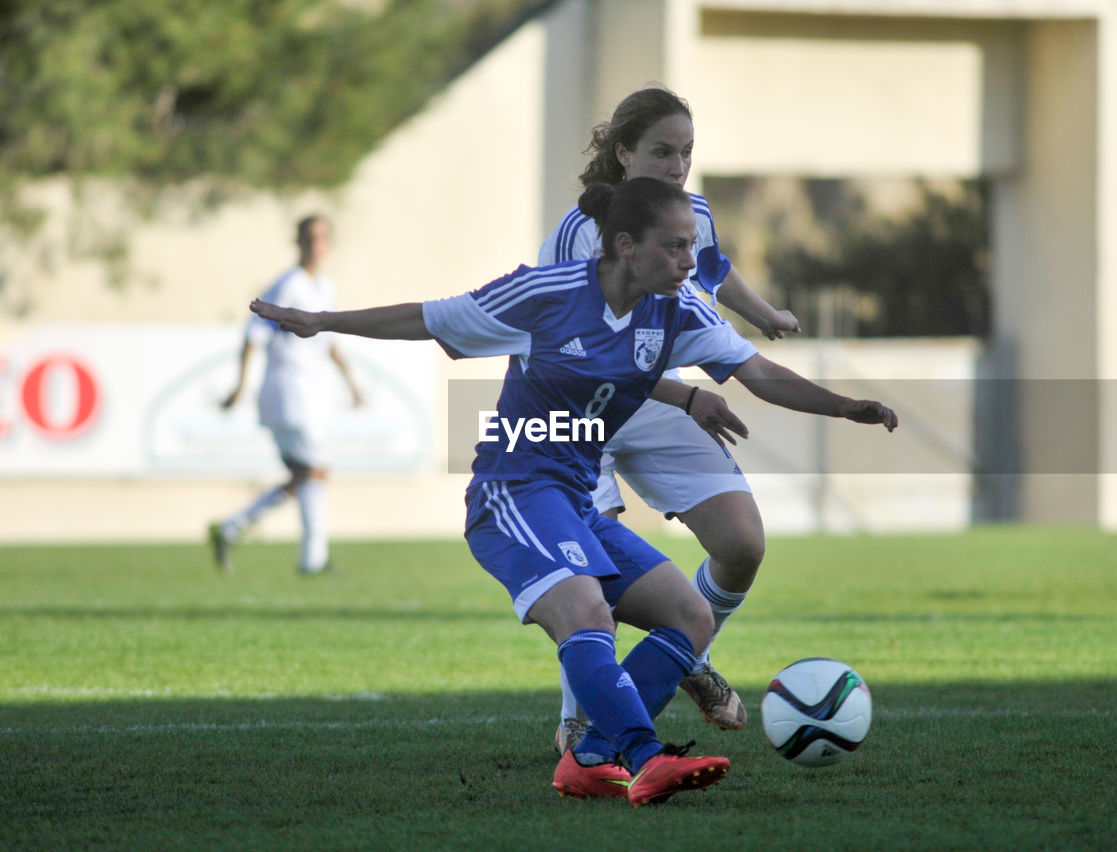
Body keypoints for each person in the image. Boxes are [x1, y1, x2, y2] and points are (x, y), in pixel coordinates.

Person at [250, 178, 897, 804]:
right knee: (588, 609)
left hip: (575, 500)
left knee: (691, 616)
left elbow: (758, 372)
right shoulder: (545, 294)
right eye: (674, 246)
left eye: (691, 246)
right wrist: (319, 320)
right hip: (512, 494)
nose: (688, 261)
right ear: (624, 246)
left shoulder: (675, 308)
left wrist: (845, 407)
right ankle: (644, 759)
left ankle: (591, 759)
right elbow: (428, 318)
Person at [539, 87, 800, 749]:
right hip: (581, 408)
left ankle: (689, 654)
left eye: (686, 152)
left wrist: (763, 313)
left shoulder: (693, 213)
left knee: (743, 543)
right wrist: (684, 396)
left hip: (657, 394)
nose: (678, 164)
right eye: (662, 151)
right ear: (623, 153)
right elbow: (582, 352)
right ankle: (584, 720)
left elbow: (713, 267)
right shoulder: (581, 232)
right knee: (596, 574)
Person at [209, 214, 363, 576]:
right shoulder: (287, 285)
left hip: (309, 393)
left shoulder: (324, 287)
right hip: (287, 390)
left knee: (304, 476)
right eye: (310, 237)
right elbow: (253, 335)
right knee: (315, 470)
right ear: (298, 242)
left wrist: (351, 383)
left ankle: (231, 527)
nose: (316, 245)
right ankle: (313, 560)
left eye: (322, 237)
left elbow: (329, 343)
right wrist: (239, 385)